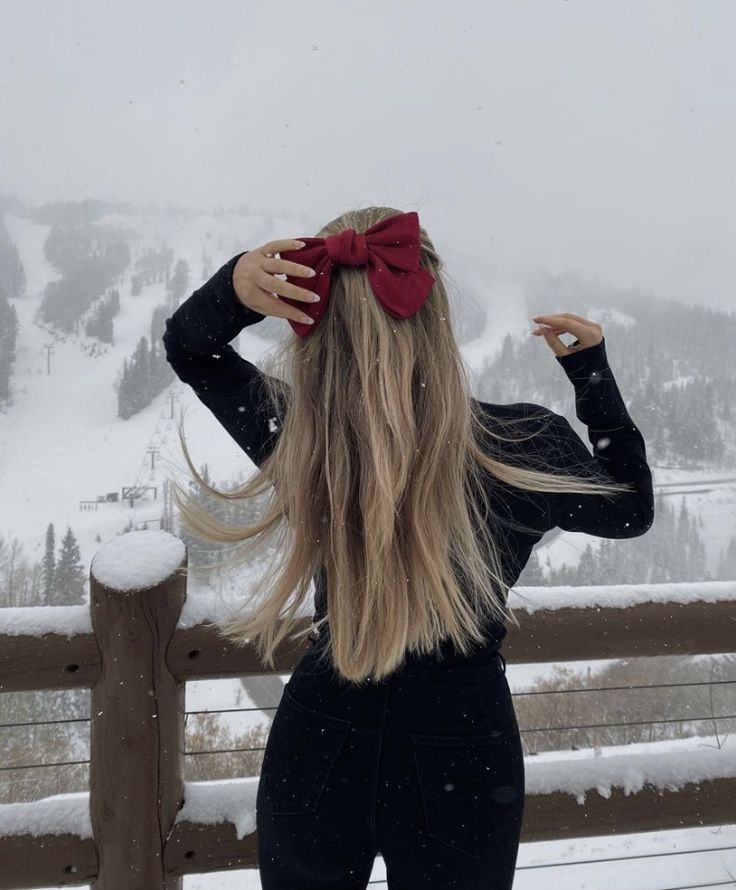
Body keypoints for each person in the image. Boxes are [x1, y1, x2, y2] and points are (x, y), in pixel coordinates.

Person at [162, 207, 654, 889]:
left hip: (322, 729)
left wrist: (232, 292)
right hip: (465, 744)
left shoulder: (309, 444)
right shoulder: (522, 446)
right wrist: (591, 376)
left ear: (316, 330)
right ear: (438, 318)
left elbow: (191, 349)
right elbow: (632, 510)